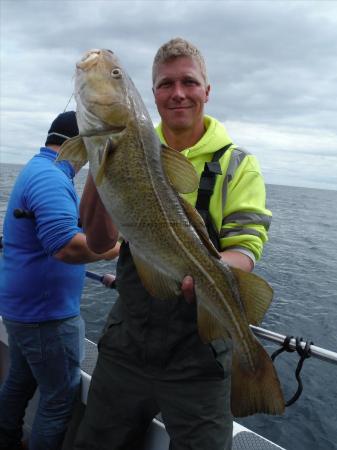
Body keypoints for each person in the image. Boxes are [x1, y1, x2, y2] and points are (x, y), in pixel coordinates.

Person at [73, 38, 272, 450]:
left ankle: (250, 363)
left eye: (189, 82)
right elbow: (98, 240)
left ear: (206, 90)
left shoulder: (238, 165)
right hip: (127, 342)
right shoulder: (130, 142)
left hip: (199, 357)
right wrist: (100, 159)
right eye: (166, 84)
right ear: (151, 93)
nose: (178, 93)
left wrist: (214, 275)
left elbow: (246, 244)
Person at [0, 111, 119, 450]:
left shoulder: (37, 169)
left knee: (19, 381)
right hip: (45, 317)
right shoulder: (52, 178)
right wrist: (111, 249)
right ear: (79, 146)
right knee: (58, 398)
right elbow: (66, 246)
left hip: (21, 308)